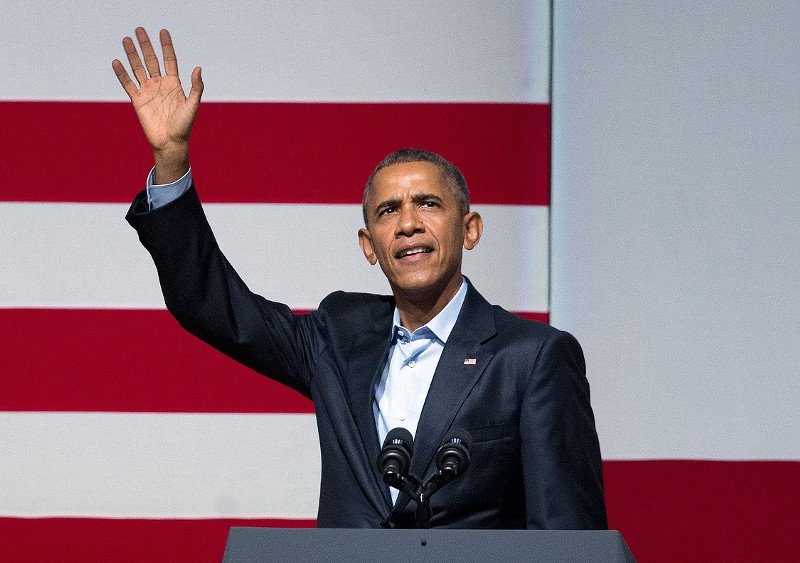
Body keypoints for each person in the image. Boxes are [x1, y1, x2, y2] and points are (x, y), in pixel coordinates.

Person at [114, 27, 607, 529]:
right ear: (369, 246)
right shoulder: (338, 334)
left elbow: (566, 536)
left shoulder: (533, 357)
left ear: (471, 230)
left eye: (428, 204)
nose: (408, 222)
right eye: (389, 210)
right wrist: (171, 160)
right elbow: (209, 303)